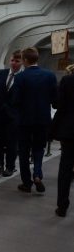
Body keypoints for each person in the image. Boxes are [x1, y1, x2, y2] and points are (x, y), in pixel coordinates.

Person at [12, 47, 57, 194]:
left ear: (25, 60)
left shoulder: (20, 77)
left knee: (24, 152)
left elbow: (15, 100)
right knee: (39, 149)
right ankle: (37, 174)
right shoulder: (49, 75)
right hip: (42, 119)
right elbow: (55, 100)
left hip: (24, 120)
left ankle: (26, 183)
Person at [0, 50, 23, 177]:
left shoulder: (23, 77)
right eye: (12, 60)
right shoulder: (1, 73)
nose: (14, 63)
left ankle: (10, 167)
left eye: (17, 61)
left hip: (14, 115)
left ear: (22, 62)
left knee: (12, 143)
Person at [52, 71, 74, 217]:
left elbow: (58, 105)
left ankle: (62, 206)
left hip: (69, 131)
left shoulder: (67, 80)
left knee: (65, 169)